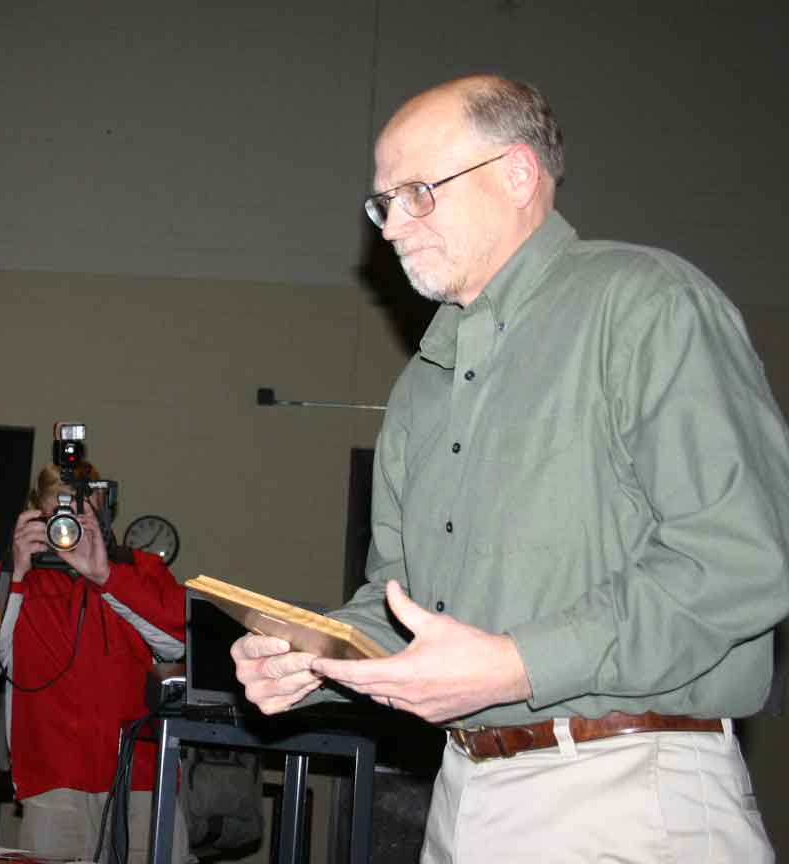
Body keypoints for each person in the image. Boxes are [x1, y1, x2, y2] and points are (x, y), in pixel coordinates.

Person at [232, 75, 789, 862]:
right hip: (461, 793)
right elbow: (401, 600)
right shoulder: (423, 383)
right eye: (383, 204)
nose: (393, 227)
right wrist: (318, 660)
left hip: (626, 791)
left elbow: (740, 559)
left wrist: (518, 666)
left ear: (518, 174)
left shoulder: (643, 304)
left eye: (418, 193)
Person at [0, 462, 193, 863]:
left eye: (82, 511)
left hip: (141, 778)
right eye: (59, 512)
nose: (69, 524)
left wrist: (106, 576)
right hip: (53, 779)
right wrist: (16, 572)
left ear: (104, 511)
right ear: (36, 513)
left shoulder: (140, 569)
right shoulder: (19, 577)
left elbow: (180, 642)